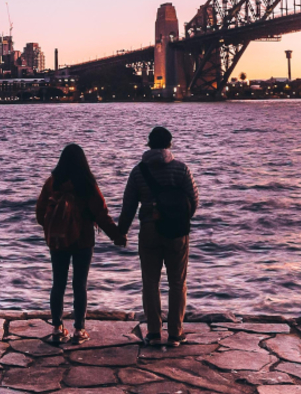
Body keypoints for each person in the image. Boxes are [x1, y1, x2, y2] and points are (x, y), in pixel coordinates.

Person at [35, 143, 125, 344]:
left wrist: (54, 226)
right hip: (83, 240)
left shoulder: (52, 183)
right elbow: (101, 214)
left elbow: (40, 212)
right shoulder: (87, 184)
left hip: (58, 241)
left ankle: (57, 328)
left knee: (58, 283)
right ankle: (79, 329)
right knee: (79, 284)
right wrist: (116, 236)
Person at [117, 126, 198, 347]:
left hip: (149, 230)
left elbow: (129, 207)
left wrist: (121, 232)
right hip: (177, 232)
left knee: (150, 282)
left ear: (149, 144)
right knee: (177, 282)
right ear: (170, 144)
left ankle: (153, 332)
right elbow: (194, 200)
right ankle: (175, 334)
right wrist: (179, 218)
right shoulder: (181, 169)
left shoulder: (138, 171)